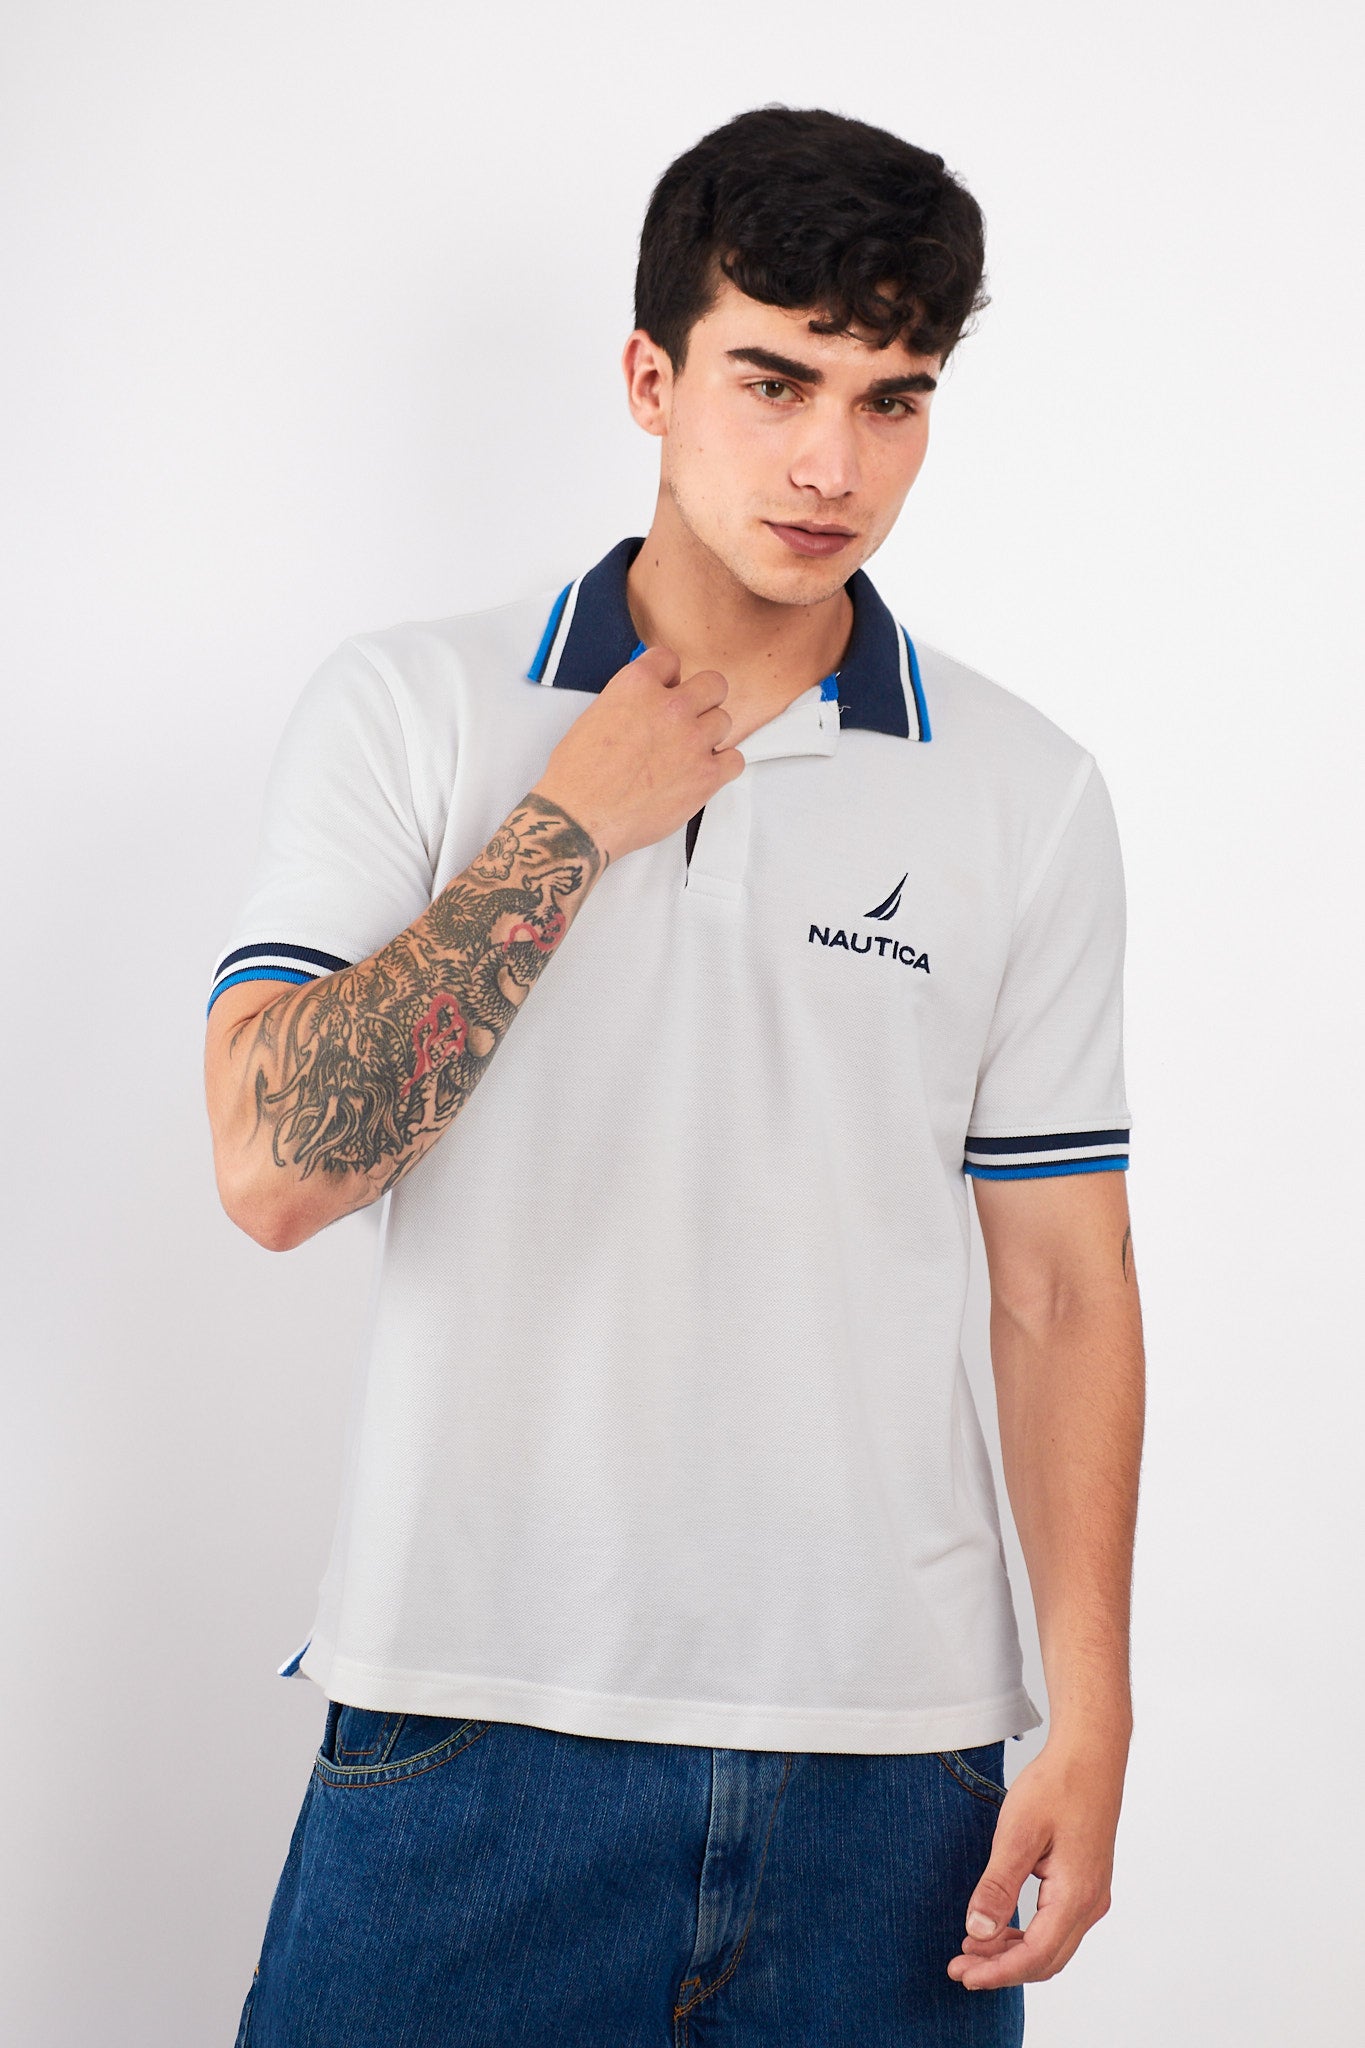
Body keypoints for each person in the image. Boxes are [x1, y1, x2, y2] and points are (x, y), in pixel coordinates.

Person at [205, 103, 1144, 2048]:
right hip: (469, 1722)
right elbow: (276, 1170)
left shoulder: (1025, 791)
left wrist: (1094, 1712)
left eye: (890, 399)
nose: (830, 464)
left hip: (894, 1768)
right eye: (773, 380)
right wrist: (567, 827)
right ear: (649, 377)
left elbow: (1061, 1283)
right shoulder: (416, 707)